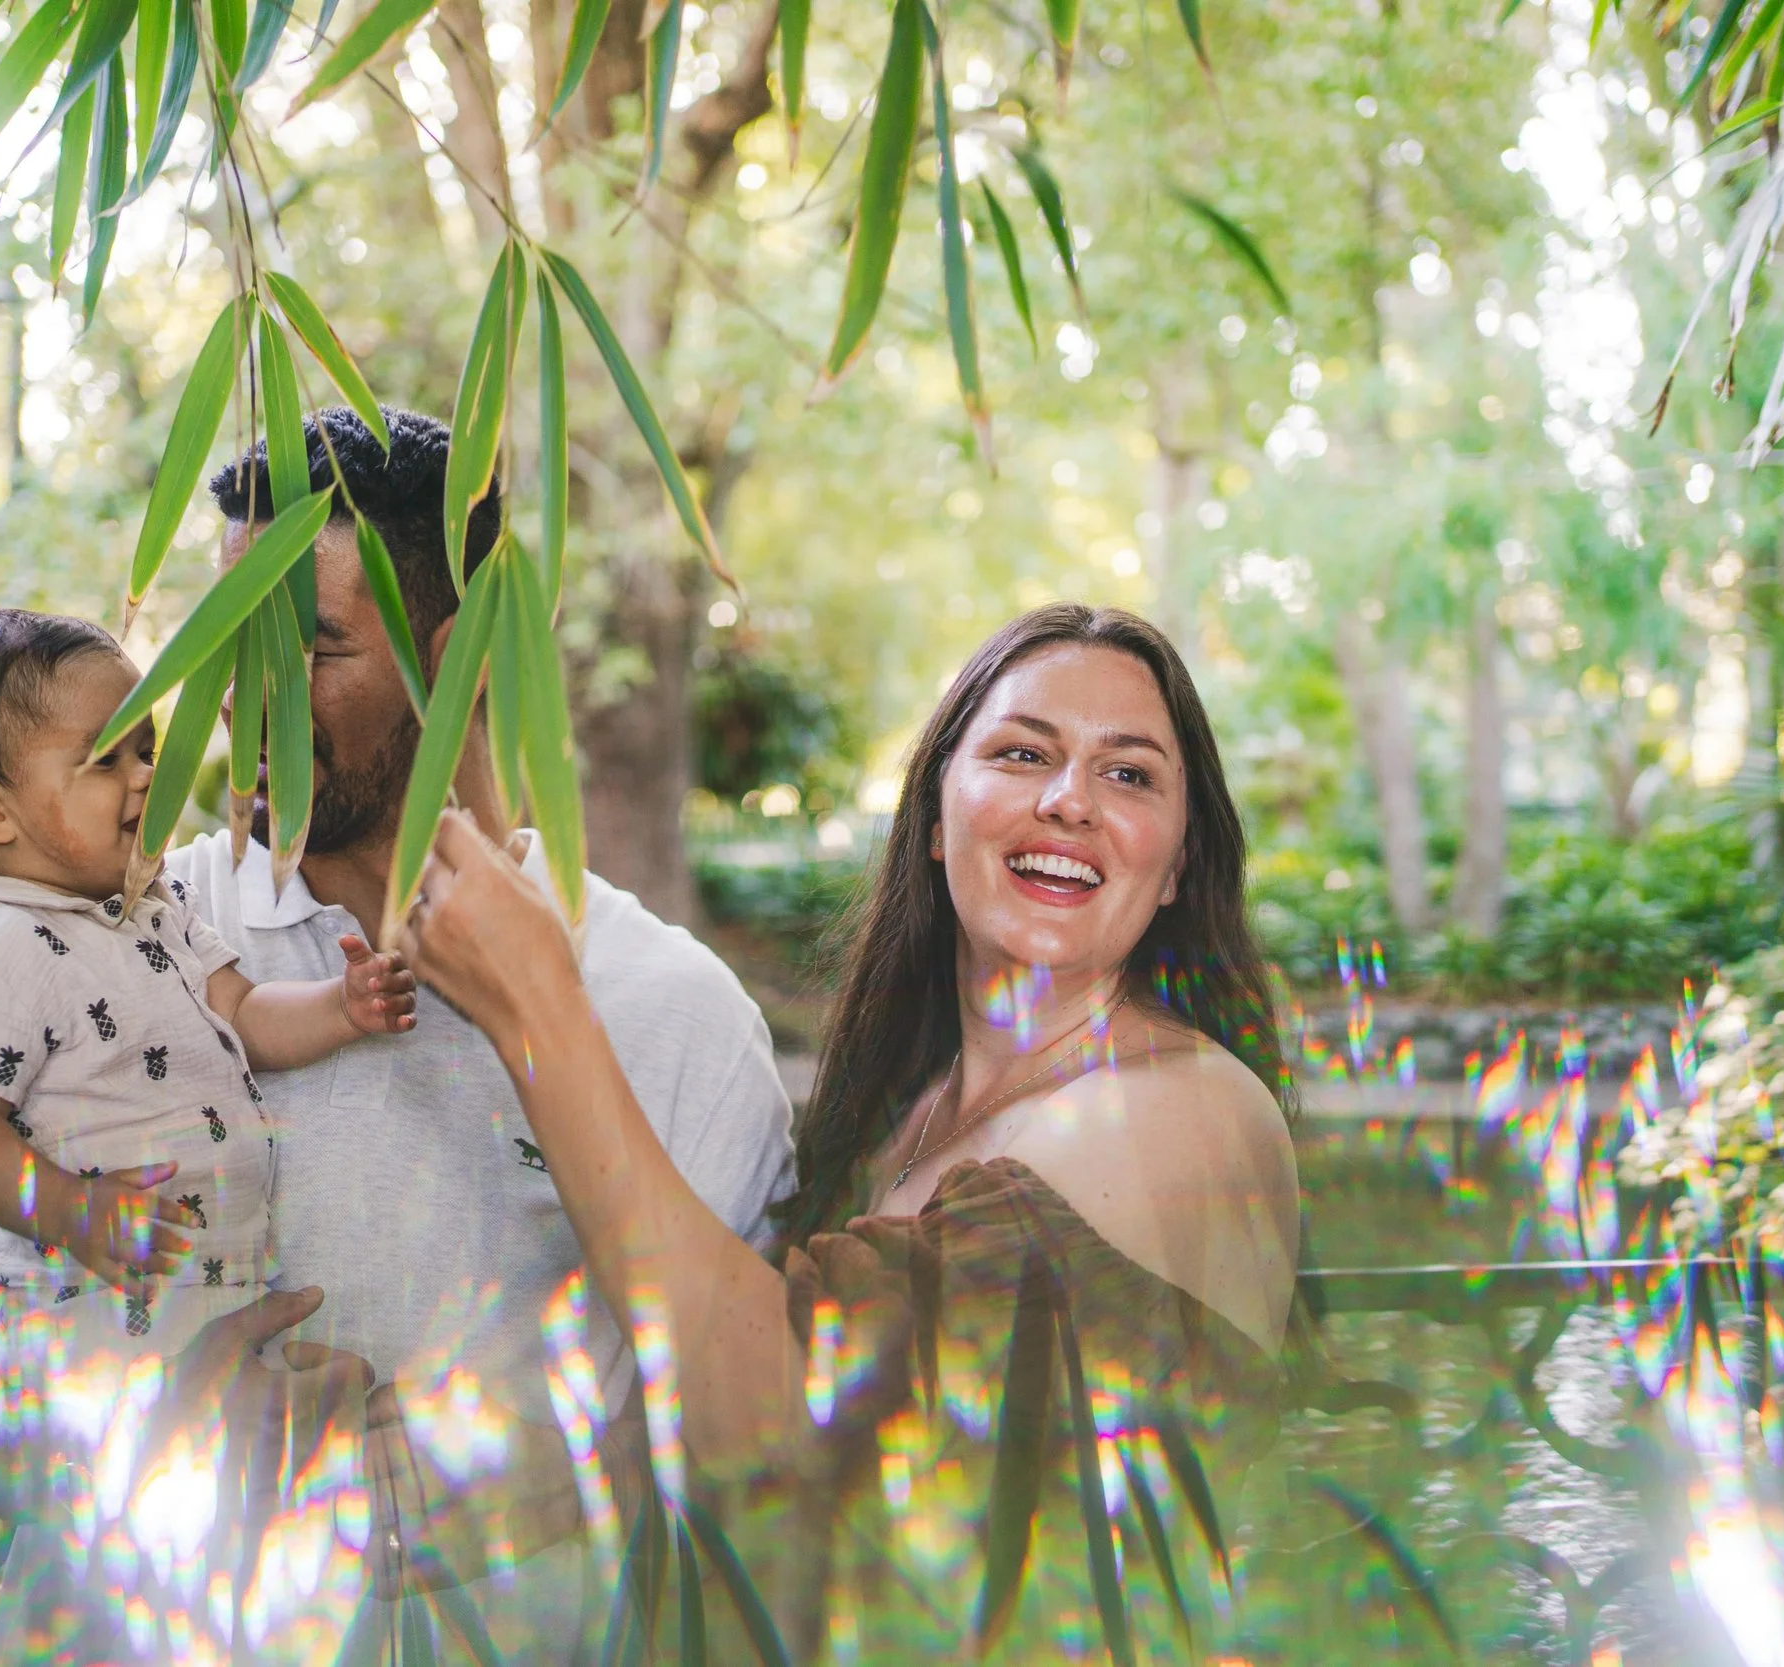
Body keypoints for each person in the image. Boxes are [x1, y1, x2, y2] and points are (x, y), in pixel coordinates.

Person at [0, 408, 799, 1661]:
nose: (248, 695)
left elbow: (752, 1449)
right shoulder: (84, 940)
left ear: (459, 653)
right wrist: (133, 1435)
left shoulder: (663, 1006)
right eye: (224, 643)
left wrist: (494, 1488)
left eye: (308, 646)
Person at [397, 603, 1302, 1658]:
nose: (1068, 801)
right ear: (932, 814)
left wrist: (540, 1014)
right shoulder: (903, 1112)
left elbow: (783, 1414)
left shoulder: (1179, 1110)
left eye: (1129, 774)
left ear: (1181, 862)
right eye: (1022, 752)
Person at [0, 609, 416, 1360]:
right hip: (85, 1313)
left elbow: (244, 1012)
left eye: (147, 747)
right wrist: (68, 1211)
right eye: (107, 758)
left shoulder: (153, 903)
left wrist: (342, 1005)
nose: (148, 774)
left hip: (208, 1292)